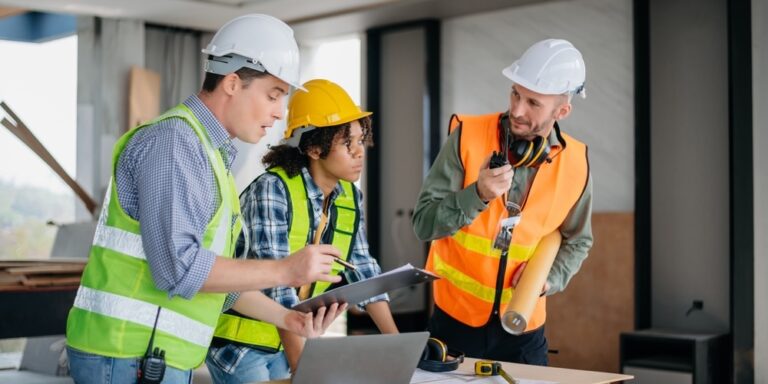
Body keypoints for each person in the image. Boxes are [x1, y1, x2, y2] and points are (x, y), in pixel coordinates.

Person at [65, 14, 347, 384]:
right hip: (125, 357)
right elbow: (179, 269)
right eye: (273, 95)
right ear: (232, 83)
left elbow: (211, 281)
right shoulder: (175, 145)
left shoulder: (209, 155)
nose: (279, 112)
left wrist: (287, 318)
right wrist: (286, 270)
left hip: (148, 358)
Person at [412, 39, 593, 366]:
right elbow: (424, 224)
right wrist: (477, 195)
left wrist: (548, 279)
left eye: (534, 103)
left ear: (562, 111)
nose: (518, 110)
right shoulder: (466, 136)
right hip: (454, 323)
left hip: (524, 330)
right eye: (515, 94)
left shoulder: (577, 163)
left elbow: (578, 241)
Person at [206, 79, 399, 383]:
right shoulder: (272, 190)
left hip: (293, 338)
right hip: (241, 345)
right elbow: (277, 286)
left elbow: (364, 270)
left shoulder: (349, 196)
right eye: (347, 143)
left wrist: (398, 349)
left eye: (361, 140)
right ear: (313, 147)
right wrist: (303, 367)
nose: (359, 152)